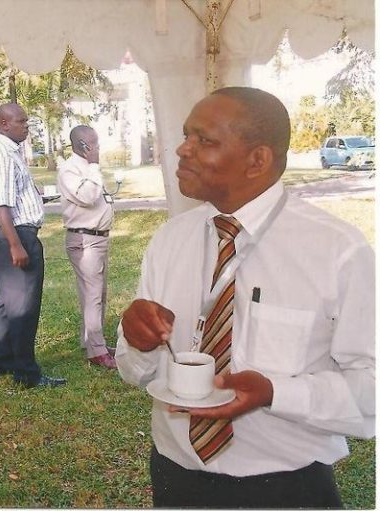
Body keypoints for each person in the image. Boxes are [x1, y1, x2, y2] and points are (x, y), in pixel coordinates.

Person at [115, 86, 374, 508]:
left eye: (204, 140)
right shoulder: (170, 240)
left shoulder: (337, 251)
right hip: (176, 477)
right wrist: (136, 341)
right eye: (186, 135)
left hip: (286, 488)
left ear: (258, 160)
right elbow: (135, 372)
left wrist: (275, 393)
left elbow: (371, 387)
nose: (182, 150)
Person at [0, 103, 66, 388]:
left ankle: (3, 361)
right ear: (4, 124)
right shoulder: (3, 155)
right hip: (15, 236)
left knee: (6, 302)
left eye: (27, 121)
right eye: (21, 121)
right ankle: (26, 373)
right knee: (23, 306)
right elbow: (1, 205)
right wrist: (16, 245)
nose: (26, 126)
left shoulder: (11, 152)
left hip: (11, 234)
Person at [58, 125, 117, 369]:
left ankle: (92, 342)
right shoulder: (70, 170)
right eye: (95, 144)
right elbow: (88, 196)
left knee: (97, 294)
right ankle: (96, 351)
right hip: (85, 240)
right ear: (84, 146)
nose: (99, 148)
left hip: (98, 238)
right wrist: (93, 165)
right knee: (93, 296)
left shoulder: (86, 168)